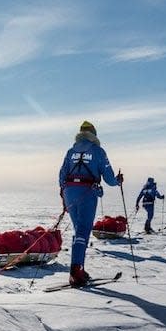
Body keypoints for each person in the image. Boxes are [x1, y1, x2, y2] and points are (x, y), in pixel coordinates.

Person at [59, 121, 122, 287]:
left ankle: (79, 267)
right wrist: (117, 181)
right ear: (94, 134)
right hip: (87, 192)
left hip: (70, 193)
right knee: (83, 230)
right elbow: (108, 177)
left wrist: (65, 193)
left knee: (78, 230)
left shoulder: (70, 151)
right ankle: (76, 271)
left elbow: (61, 175)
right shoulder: (98, 151)